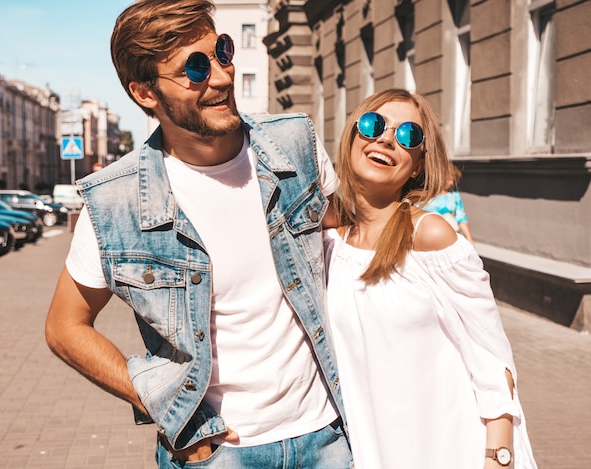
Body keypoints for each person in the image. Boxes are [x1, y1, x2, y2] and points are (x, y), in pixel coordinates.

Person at [44, 1, 352, 468]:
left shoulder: (293, 144)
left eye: (221, 53)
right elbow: (65, 327)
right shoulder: (117, 203)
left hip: (327, 436)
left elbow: (347, 236)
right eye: (194, 68)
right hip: (219, 454)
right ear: (145, 93)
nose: (223, 78)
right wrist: (163, 405)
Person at [324, 88, 536, 468]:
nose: (387, 139)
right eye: (373, 124)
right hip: (371, 452)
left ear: (418, 163)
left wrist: (498, 457)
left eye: (408, 135)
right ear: (353, 134)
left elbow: (490, 356)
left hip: (449, 449)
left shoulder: (431, 237)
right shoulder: (326, 245)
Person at [423, 163, 475, 243]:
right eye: (449, 179)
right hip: (428, 237)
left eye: (453, 180)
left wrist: (469, 238)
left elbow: (461, 217)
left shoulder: (454, 195)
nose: (451, 183)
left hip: (450, 238)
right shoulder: (425, 195)